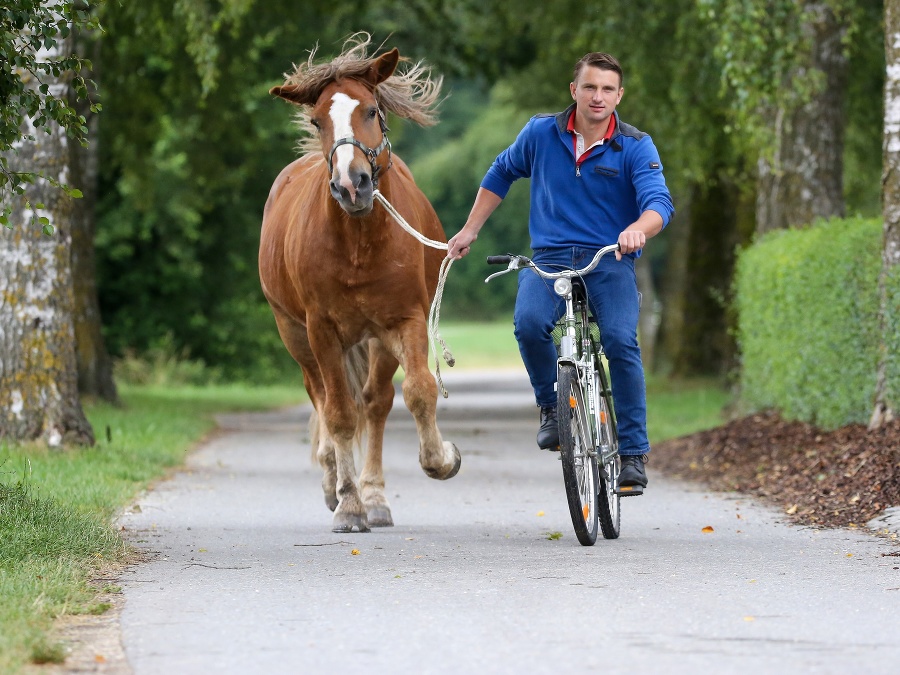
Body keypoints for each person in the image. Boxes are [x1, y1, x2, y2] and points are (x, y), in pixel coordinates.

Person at [447, 52, 674, 492]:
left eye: (608, 89)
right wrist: (470, 229)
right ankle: (551, 408)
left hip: (609, 257)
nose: (598, 97)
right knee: (529, 324)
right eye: (590, 87)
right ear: (574, 90)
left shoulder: (634, 145)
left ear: (619, 95)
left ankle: (632, 454)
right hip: (549, 257)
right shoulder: (540, 133)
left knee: (621, 342)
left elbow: (659, 204)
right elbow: (501, 172)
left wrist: (636, 230)